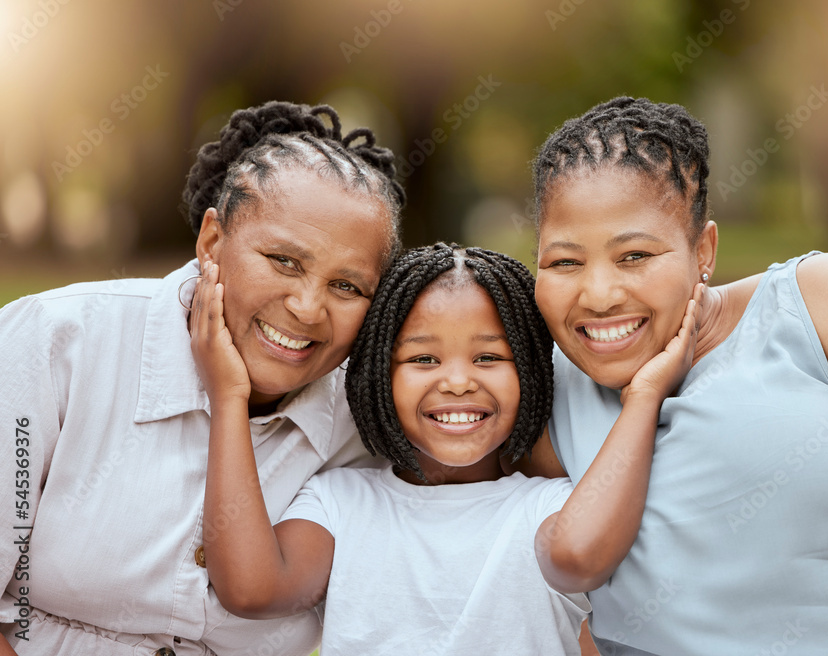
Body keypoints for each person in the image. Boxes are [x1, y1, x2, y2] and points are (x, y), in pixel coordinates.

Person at [521, 96, 828, 655]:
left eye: (634, 256)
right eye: (563, 262)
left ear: (704, 250)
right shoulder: (541, 391)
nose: (599, 295)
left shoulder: (826, 304)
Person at [0, 100, 405, 655]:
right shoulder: (56, 342)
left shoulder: (369, 430)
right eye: (285, 261)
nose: (308, 308)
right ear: (213, 240)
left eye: (348, 287)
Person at [191, 242, 703, 655]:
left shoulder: (550, 507)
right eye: (423, 359)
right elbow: (251, 590)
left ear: (531, 371)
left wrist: (644, 396)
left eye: (488, 357)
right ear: (375, 375)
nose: (458, 382)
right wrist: (229, 397)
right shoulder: (338, 503)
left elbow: (582, 556)